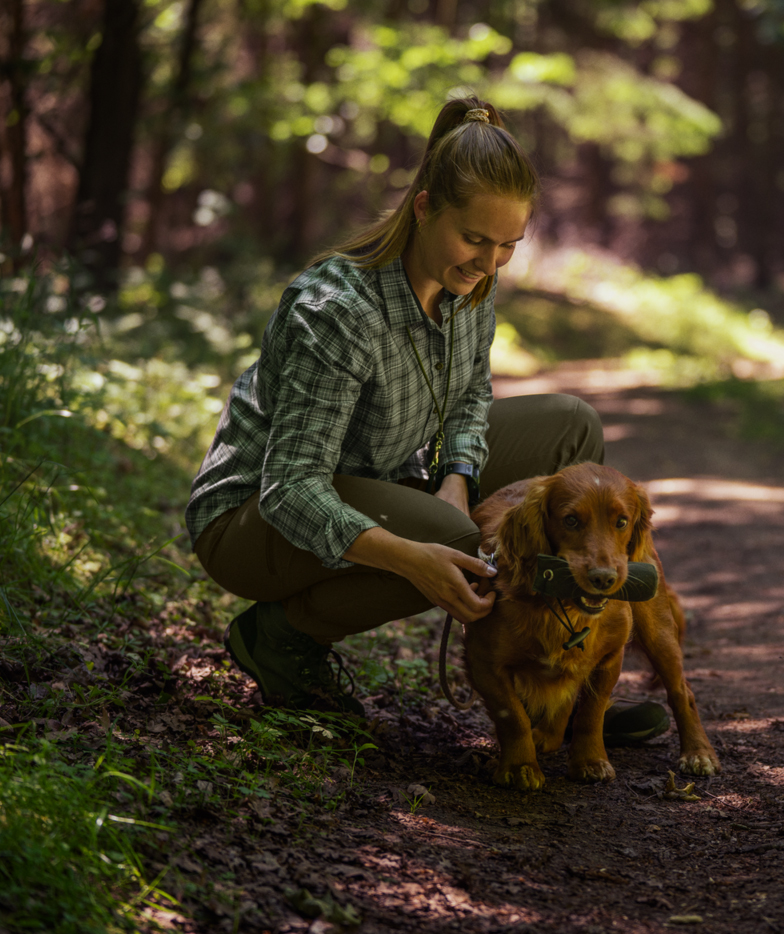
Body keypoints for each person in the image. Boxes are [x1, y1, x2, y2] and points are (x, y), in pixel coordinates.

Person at [185, 96, 669, 744]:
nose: (489, 263)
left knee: (571, 429)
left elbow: (470, 398)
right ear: (423, 207)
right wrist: (415, 558)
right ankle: (279, 640)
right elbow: (291, 488)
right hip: (253, 522)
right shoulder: (337, 310)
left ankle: (568, 680)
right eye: (474, 239)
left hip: (380, 477)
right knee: (454, 540)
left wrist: (458, 475)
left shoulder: (470, 288)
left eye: (508, 245)